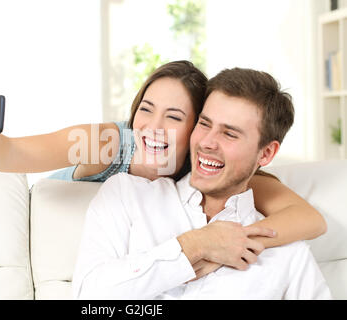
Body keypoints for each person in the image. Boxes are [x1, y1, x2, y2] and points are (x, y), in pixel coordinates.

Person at [0, 61, 326, 276]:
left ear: (197, 127)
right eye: (146, 108)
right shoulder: (113, 142)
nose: (153, 127)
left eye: (175, 116)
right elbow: (14, 154)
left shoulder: (207, 168)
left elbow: (308, 219)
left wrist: (230, 244)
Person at [72, 68, 332, 300]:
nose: (207, 142)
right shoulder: (127, 194)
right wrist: (195, 246)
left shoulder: (289, 256)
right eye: (204, 124)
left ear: (265, 154)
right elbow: (88, 298)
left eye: (229, 133)